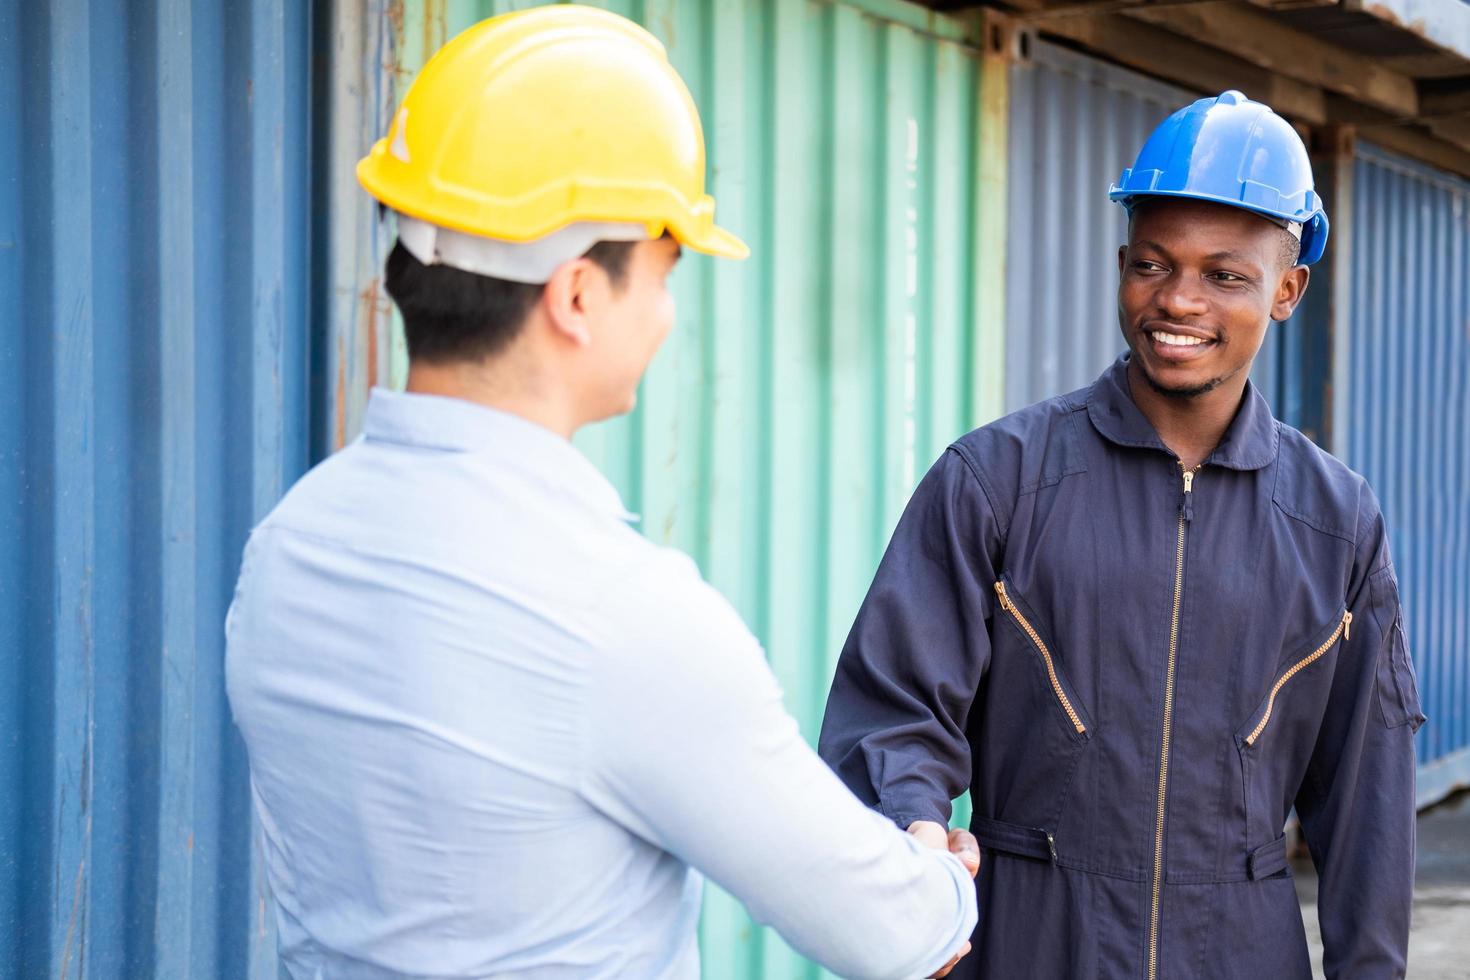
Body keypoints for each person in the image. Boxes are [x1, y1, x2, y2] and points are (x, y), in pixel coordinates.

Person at [225, 6, 977, 979]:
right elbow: (891, 932)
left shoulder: (287, 550)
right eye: (664, 272)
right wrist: (937, 870)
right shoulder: (622, 616)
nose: (668, 312)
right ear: (578, 294)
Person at [819, 90, 1425, 980]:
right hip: (1027, 939)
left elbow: (1367, 793)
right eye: (1151, 264)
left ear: (1287, 290)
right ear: (1121, 264)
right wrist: (911, 834)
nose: (1178, 300)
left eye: (1225, 274)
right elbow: (894, 710)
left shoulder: (1334, 522)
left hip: (1242, 947)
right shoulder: (998, 481)